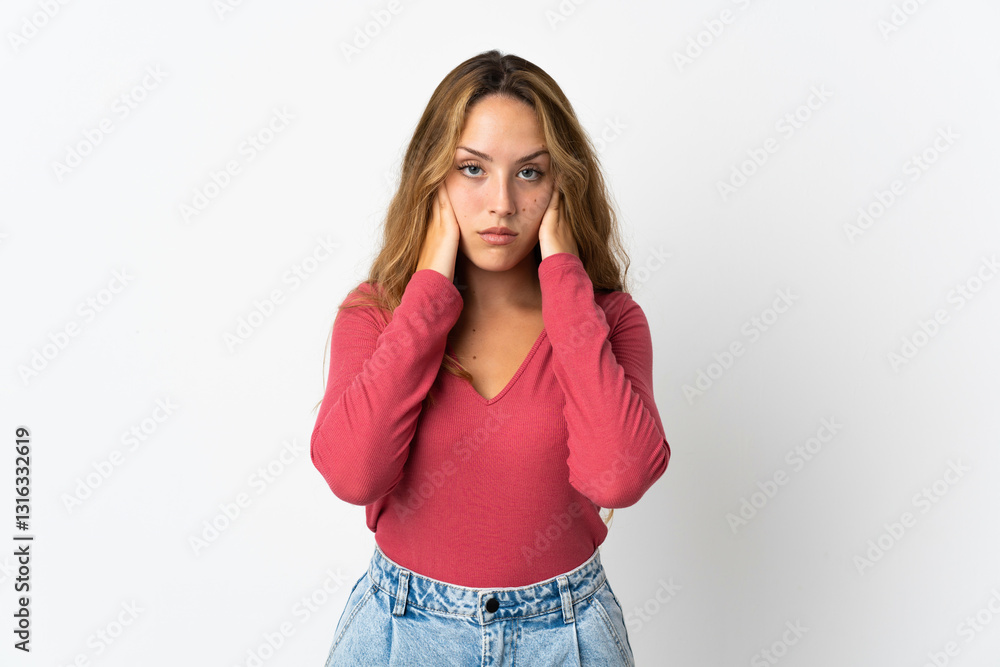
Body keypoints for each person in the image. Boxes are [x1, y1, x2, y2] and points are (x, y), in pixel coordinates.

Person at [310, 48, 670, 666]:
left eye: (529, 172)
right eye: (472, 169)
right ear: (432, 178)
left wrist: (566, 283)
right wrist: (427, 293)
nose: (501, 202)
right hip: (402, 633)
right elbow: (352, 475)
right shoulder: (376, 316)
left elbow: (619, 477)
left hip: (567, 637)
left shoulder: (610, 323)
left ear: (562, 185)